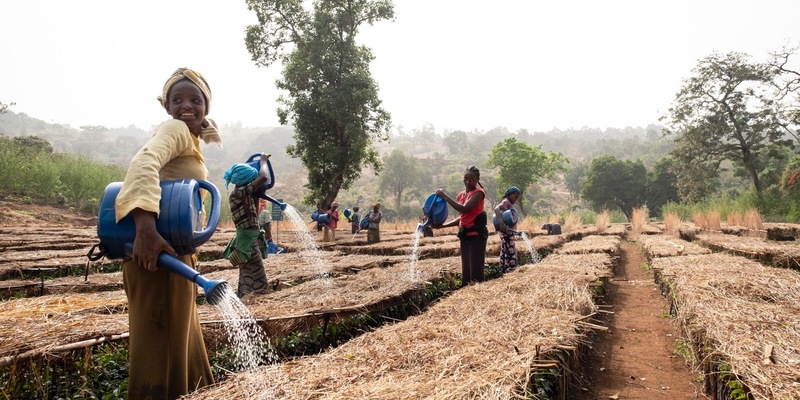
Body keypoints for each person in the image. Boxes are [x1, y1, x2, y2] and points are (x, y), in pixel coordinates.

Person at [113, 67, 218, 399]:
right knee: (159, 349)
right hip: (155, 254)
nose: (186, 106)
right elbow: (143, 163)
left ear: (206, 106)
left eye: (195, 100)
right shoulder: (174, 129)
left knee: (181, 341)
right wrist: (145, 229)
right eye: (178, 100)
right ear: (167, 105)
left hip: (173, 255)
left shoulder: (191, 139)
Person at [222, 156, 272, 297]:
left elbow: (254, 214)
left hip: (249, 238)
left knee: (247, 270)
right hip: (247, 239)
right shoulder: (237, 193)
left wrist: (257, 195)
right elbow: (264, 177)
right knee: (257, 271)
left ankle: (245, 295)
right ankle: (258, 297)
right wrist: (263, 161)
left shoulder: (244, 195)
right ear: (246, 180)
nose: (254, 181)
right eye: (252, 179)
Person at [433, 166, 488, 285]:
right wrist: (442, 226)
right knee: (466, 270)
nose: (468, 182)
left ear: (477, 179)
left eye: (471, 179)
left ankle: (478, 294)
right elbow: (462, 218)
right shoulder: (462, 195)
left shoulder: (478, 193)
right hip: (465, 235)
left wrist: (445, 197)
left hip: (476, 236)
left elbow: (464, 209)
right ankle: (467, 293)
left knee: (476, 271)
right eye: (465, 178)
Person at [494, 186, 521, 273]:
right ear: (510, 194)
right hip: (506, 232)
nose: (516, 199)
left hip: (508, 231)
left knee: (505, 250)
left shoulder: (509, 203)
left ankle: (504, 269)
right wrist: (501, 223)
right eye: (515, 197)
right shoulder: (506, 201)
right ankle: (512, 269)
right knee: (510, 250)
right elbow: (496, 209)